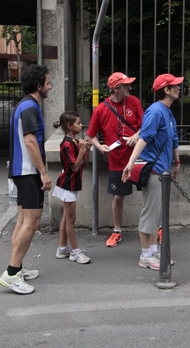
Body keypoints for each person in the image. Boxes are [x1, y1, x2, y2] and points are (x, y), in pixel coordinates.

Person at [122, 73, 183, 270]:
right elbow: (144, 138)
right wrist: (130, 163)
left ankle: (154, 252)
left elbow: (173, 138)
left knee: (156, 213)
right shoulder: (155, 112)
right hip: (154, 170)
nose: (179, 88)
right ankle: (145, 255)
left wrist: (176, 160)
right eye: (175, 85)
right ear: (166, 90)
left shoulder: (167, 111)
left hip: (163, 171)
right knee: (150, 212)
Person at [0, 65, 52, 294]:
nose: (50, 86)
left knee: (22, 221)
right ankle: (11, 273)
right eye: (48, 83)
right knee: (31, 222)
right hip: (29, 172)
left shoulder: (22, 105)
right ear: (38, 86)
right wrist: (43, 172)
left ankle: (17, 268)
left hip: (21, 173)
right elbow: (30, 141)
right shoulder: (30, 106)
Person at [86, 72, 144, 247]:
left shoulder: (133, 102)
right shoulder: (102, 109)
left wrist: (136, 135)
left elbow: (146, 126)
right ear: (116, 88)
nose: (130, 88)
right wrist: (99, 146)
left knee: (151, 194)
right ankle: (117, 230)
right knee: (118, 197)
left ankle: (157, 227)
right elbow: (91, 135)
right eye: (126, 85)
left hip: (140, 158)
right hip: (117, 161)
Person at [52, 111, 91, 264]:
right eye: (79, 123)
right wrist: (82, 150)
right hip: (67, 184)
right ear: (69, 126)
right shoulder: (67, 144)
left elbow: (85, 164)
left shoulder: (75, 141)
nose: (81, 126)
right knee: (71, 218)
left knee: (67, 217)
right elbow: (74, 168)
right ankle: (75, 252)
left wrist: (86, 150)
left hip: (72, 184)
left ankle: (62, 248)